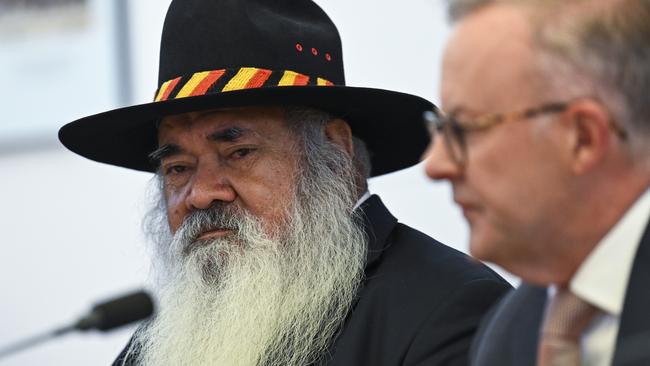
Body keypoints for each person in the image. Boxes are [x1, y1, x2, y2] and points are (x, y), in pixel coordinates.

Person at [59, 0, 510, 365]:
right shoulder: (160, 343)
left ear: (335, 155)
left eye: (238, 153)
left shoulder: (451, 311)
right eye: (178, 168)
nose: (200, 193)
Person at [425, 0, 650, 365]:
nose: (435, 165)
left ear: (582, 138)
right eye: (438, 129)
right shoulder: (513, 329)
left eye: (464, 129)